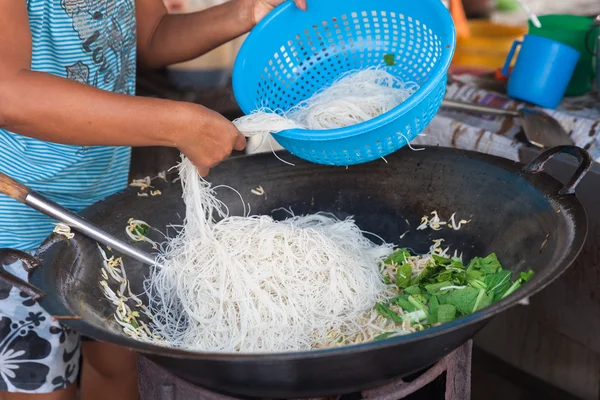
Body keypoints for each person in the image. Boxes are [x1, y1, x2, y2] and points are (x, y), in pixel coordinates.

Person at [0, 0, 306, 399]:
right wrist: (175, 124)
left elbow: (151, 34)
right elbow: (8, 94)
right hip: (16, 226)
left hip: (101, 207)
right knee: (44, 385)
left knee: (117, 363)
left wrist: (246, 12)